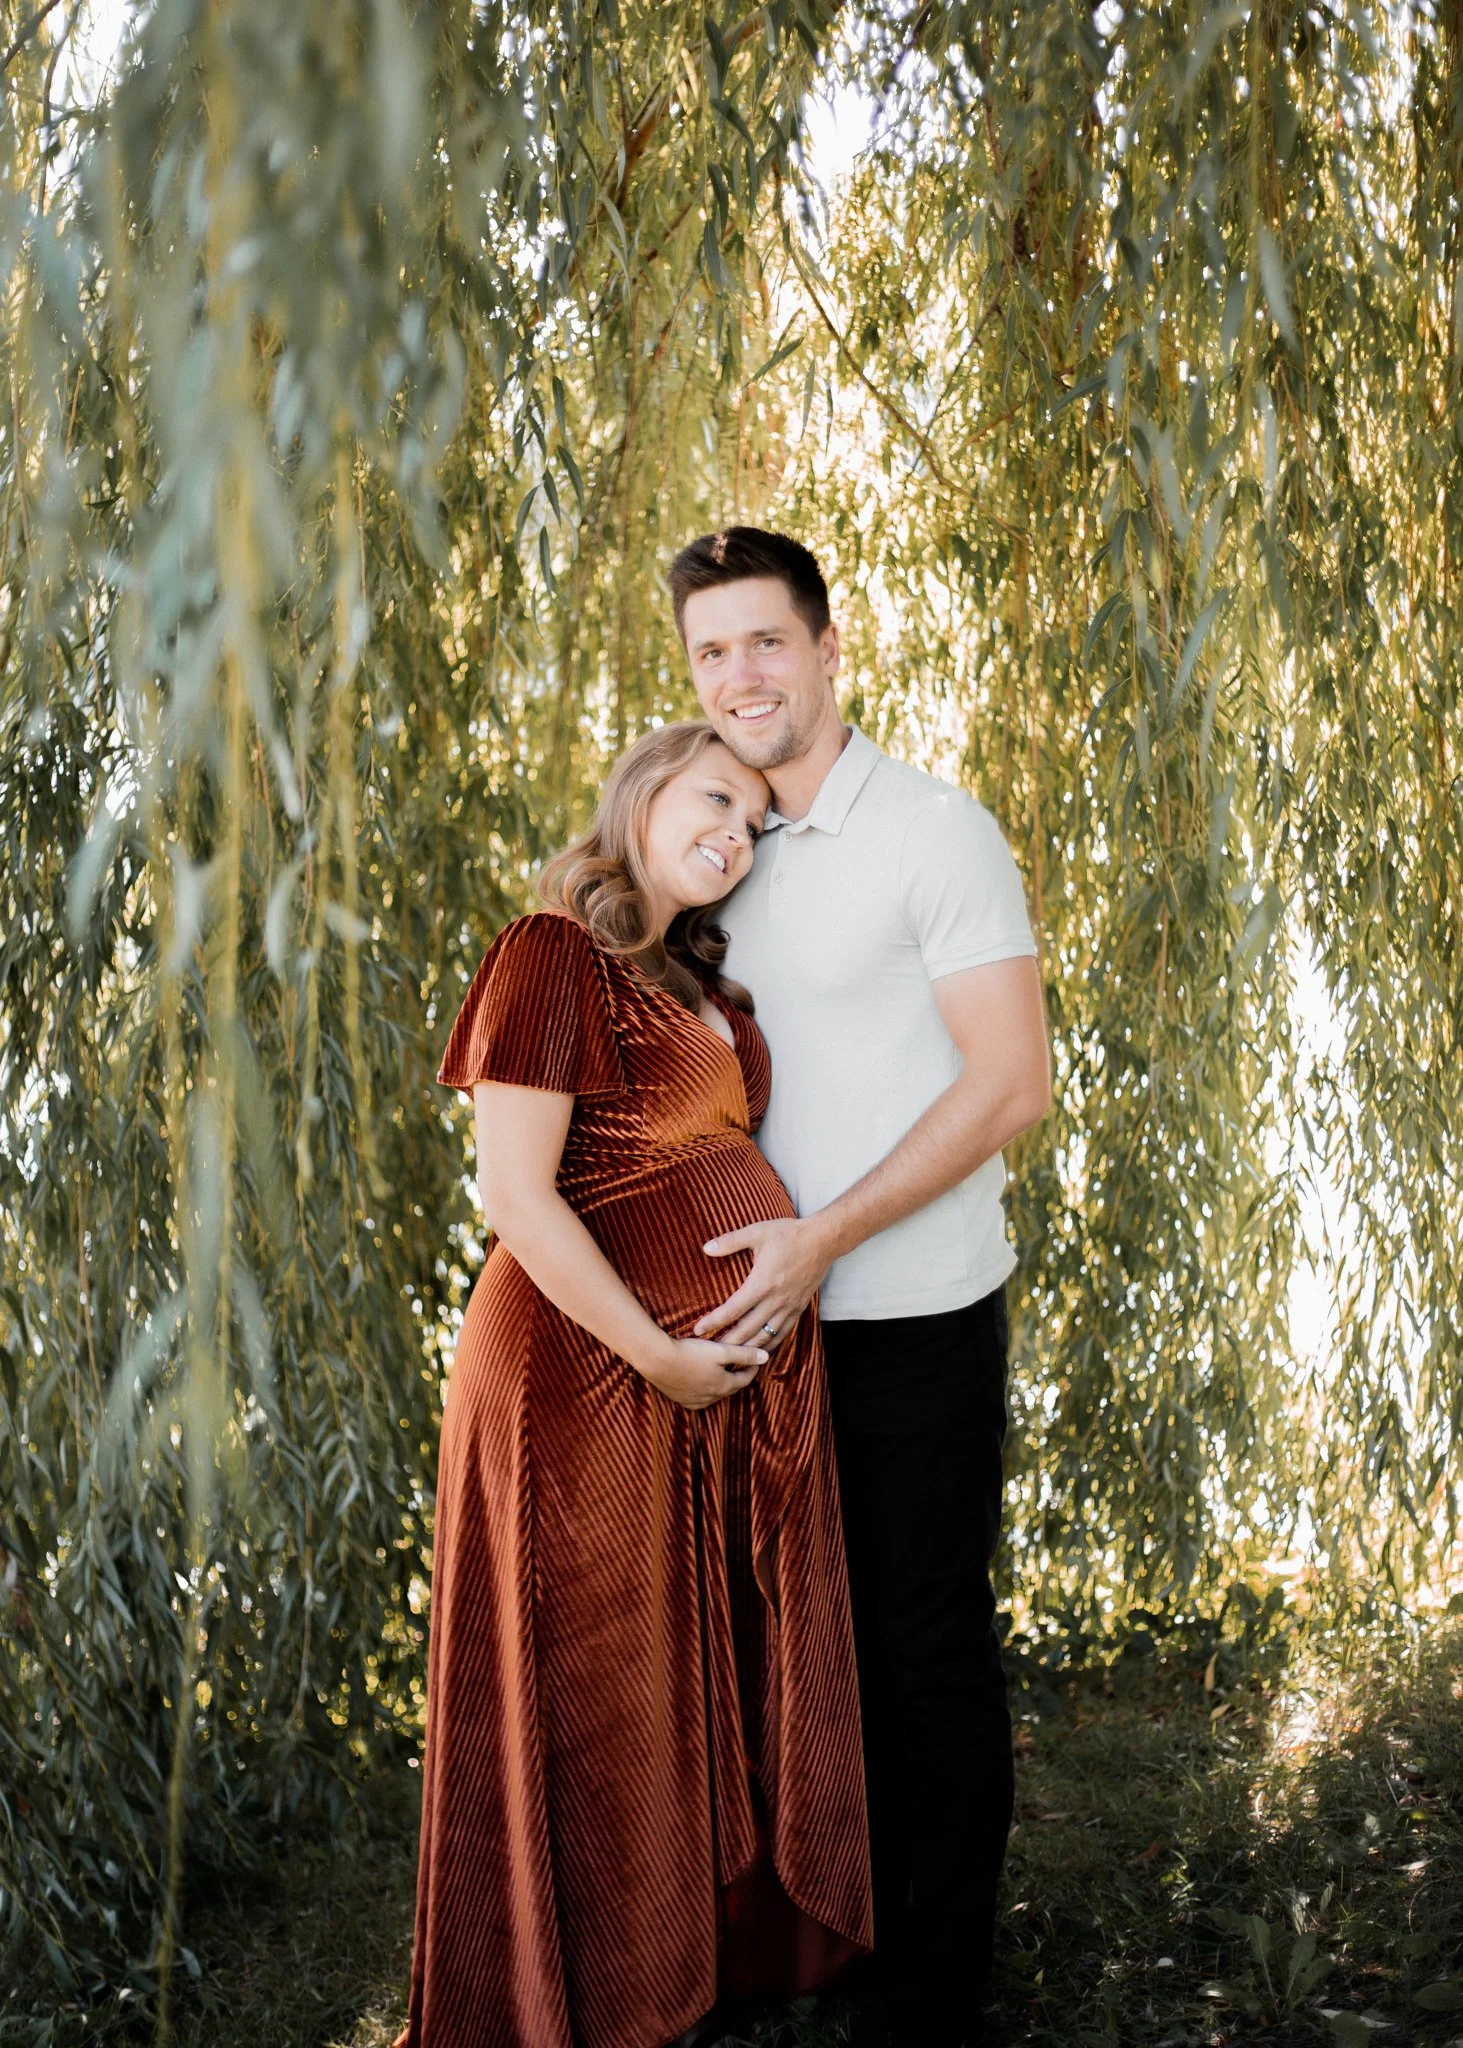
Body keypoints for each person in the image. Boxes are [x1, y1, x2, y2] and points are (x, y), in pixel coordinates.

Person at [397, 721, 872, 2048]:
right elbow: (513, 1193)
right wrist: (656, 1351)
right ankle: (578, 1991)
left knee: (668, 1664)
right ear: (643, 791)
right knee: (590, 1673)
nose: (734, 831)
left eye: (753, 822)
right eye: (714, 796)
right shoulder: (555, 951)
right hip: (576, 1369)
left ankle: (677, 1958)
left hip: (678, 1385)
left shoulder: (690, 979)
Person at [671, 527, 1051, 2048]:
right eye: (710, 653)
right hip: (758, 1327)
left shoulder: (934, 834)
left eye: (765, 642)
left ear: (829, 650)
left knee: (918, 1647)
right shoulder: (713, 847)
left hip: (910, 1314)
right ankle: (816, 1935)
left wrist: (823, 1236)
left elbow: (1008, 1083)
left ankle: (935, 1985)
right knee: (784, 1650)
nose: (740, 676)